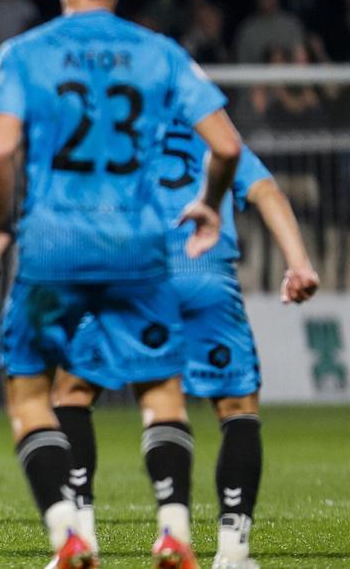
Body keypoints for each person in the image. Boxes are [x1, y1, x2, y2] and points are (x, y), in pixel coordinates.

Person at [0, 0, 243, 569]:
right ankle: (175, 528)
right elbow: (229, 144)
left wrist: (2, 224)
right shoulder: (160, 52)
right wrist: (208, 202)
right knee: (160, 391)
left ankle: (69, 531)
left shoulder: (24, 52)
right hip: (138, 246)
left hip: (52, 247)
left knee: (31, 393)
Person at [52, 138, 319, 567]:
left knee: (73, 392)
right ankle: (233, 550)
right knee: (237, 407)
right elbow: (268, 191)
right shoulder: (210, 131)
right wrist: (299, 263)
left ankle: (80, 538)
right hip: (205, 274)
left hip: (130, 272)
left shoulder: (123, 122)